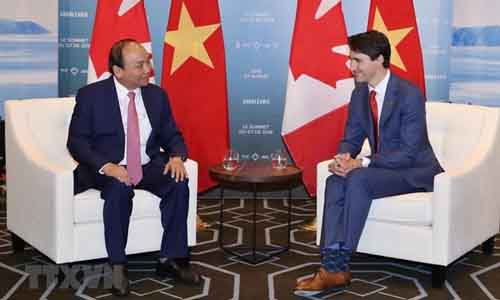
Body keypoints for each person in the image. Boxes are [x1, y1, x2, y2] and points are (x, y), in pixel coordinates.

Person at [294, 30, 443, 296]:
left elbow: (409, 153)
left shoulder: (409, 94)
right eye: (351, 60)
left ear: (380, 60)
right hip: (381, 170)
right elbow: (351, 137)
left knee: (358, 178)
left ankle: (336, 266)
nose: (351, 67)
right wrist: (342, 157)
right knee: (335, 180)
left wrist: (360, 163)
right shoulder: (360, 94)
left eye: (357, 60)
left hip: (414, 172)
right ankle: (332, 267)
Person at [67, 39, 201, 297]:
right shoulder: (91, 95)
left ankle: (172, 260)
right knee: (119, 190)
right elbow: (77, 142)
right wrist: (107, 166)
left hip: (146, 164)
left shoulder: (156, 95)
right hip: (107, 168)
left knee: (178, 183)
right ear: (118, 71)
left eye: (147, 62)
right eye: (139, 65)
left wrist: (176, 156)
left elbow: (172, 134)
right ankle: (117, 265)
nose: (147, 69)